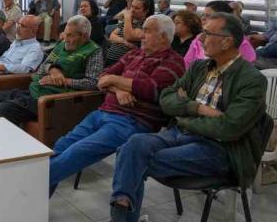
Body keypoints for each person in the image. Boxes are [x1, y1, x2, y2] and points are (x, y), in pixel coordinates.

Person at [85, 13, 269, 222]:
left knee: (132, 159)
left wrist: (184, 112)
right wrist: (196, 109)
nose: (201, 38)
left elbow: (229, 128)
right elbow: (167, 99)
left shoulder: (252, 79)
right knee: (133, 145)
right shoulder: (199, 67)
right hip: (181, 133)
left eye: (208, 34)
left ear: (226, 41)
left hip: (220, 151)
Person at [49, 15, 184, 195]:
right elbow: (101, 77)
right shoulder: (134, 53)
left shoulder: (173, 62)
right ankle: (35, 206)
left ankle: (26, 186)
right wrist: (118, 90)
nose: (141, 36)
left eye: (147, 31)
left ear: (164, 37)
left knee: (75, 153)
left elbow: (151, 89)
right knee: (61, 145)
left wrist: (113, 79)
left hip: (133, 122)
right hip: (103, 113)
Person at [0, 15, 104, 126]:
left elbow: (93, 83)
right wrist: (53, 69)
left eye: (70, 35)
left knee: (5, 108)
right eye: (65, 34)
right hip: (36, 90)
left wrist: (64, 81)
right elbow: (41, 69)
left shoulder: (94, 52)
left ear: (84, 36)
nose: (65, 39)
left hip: (56, 99)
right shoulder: (62, 45)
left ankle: (13, 147)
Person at [183, 0, 256, 69]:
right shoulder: (199, 39)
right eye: (203, 15)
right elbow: (186, 64)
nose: (203, 19)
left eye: (209, 16)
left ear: (223, 18)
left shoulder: (240, 43)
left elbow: (244, 71)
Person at [105, 0, 153, 66]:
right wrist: (125, 42)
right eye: (132, 6)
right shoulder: (128, 21)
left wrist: (127, 17)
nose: (132, 10)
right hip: (109, 58)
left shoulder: (146, 25)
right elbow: (112, 36)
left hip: (126, 63)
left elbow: (128, 36)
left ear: (146, 11)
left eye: (137, 8)